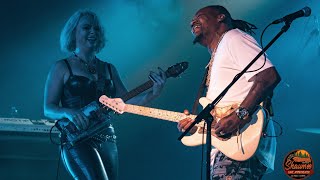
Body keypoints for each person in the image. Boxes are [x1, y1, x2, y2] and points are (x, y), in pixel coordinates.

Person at [44, 9, 166, 180]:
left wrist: (153, 93)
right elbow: (48, 108)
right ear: (74, 33)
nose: (93, 32)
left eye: (96, 29)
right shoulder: (61, 67)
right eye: (86, 28)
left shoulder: (109, 68)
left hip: (107, 137)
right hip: (76, 139)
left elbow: (126, 102)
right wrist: (68, 112)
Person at [177, 5, 281, 179]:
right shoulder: (218, 54)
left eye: (200, 16)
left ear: (220, 17)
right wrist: (197, 125)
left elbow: (269, 76)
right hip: (227, 148)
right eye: (191, 21)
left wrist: (239, 116)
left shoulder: (233, 38)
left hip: (241, 142)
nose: (192, 21)